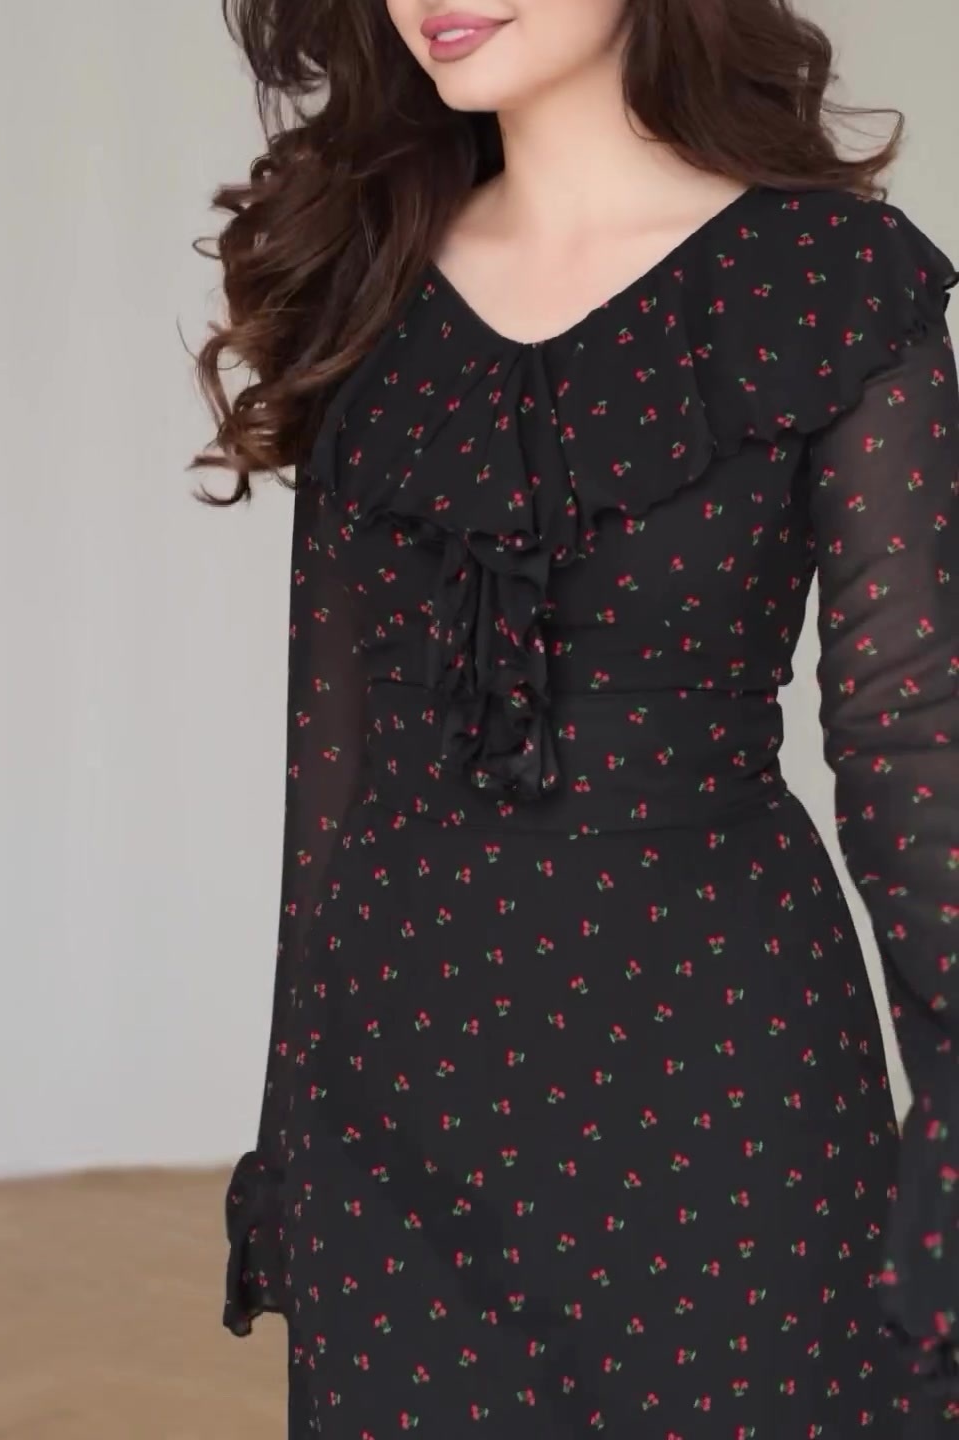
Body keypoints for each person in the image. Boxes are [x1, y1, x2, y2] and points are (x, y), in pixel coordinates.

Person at [192, 1, 959, 1434]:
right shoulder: (370, 281)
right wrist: (291, 1130)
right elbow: (333, 772)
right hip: (398, 1102)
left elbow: (911, 738)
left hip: (728, 1086)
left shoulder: (831, 280)